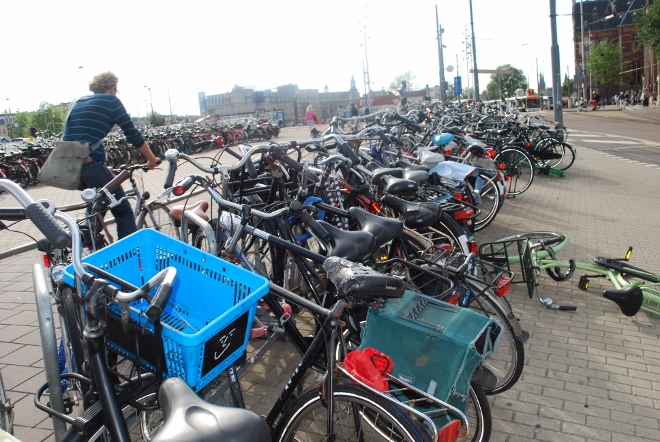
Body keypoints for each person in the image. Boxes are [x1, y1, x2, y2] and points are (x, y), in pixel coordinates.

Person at [62, 71, 160, 240]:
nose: (116, 93)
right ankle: (127, 257)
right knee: (122, 210)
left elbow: (78, 135)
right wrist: (152, 159)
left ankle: (89, 239)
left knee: (97, 203)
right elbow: (132, 134)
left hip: (68, 167)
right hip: (90, 165)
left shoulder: (78, 101)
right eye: (116, 89)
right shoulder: (111, 101)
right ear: (112, 88)